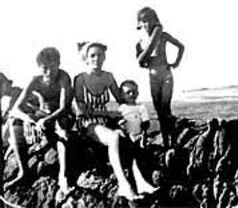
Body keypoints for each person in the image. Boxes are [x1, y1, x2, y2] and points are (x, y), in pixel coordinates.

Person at [73, 42, 143, 201]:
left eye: (100, 55)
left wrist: (134, 112)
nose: (97, 59)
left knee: (128, 139)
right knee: (114, 138)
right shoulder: (80, 79)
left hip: (105, 122)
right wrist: (107, 113)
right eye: (93, 55)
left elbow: (121, 100)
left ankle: (140, 181)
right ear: (86, 58)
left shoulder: (108, 76)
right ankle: (124, 185)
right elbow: (82, 110)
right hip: (88, 123)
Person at [3, 47, 74, 198]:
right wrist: (28, 119)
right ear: (39, 68)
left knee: (63, 133)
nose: (49, 72)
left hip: (61, 115)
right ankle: (24, 171)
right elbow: (15, 109)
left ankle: (63, 176)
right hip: (42, 114)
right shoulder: (35, 80)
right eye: (45, 68)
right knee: (14, 121)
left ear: (59, 64)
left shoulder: (63, 77)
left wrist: (45, 120)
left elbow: (64, 107)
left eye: (53, 66)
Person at [136, 7, 185, 147]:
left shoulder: (162, 35)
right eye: (143, 22)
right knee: (159, 111)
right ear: (139, 23)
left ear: (155, 21)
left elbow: (181, 47)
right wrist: (145, 64)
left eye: (149, 21)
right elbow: (139, 61)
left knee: (165, 108)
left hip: (166, 75)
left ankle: (174, 141)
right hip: (153, 78)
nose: (147, 25)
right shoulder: (141, 42)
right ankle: (165, 142)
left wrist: (176, 62)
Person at [117, 80, 158, 194]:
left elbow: (145, 123)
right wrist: (122, 128)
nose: (131, 95)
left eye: (134, 92)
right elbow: (118, 124)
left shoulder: (141, 107)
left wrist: (143, 135)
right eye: (128, 92)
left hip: (139, 137)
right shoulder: (121, 109)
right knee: (130, 157)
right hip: (126, 138)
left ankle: (144, 183)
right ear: (122, 95)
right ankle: (137, 185)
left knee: (142, 157)